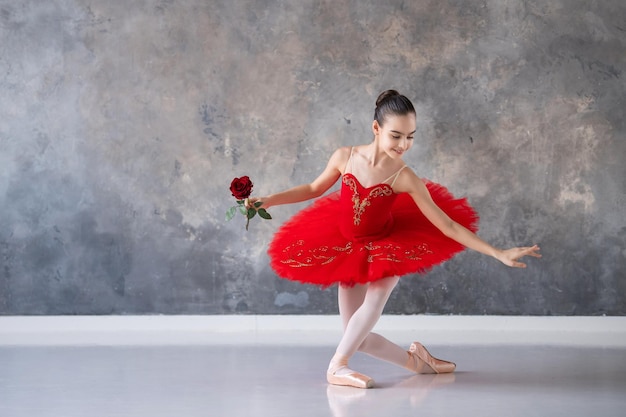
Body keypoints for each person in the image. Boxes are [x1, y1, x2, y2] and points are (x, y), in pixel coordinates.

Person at [247, 90, 541, 389]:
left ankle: (337, 366)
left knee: (371, 307)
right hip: (348, 246)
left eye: (411, 137)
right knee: (356, 336)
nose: (404, 145)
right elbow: (312, 188)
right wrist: (269, 200)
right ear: (376, 129)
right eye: (396, 136)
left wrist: (498, 252)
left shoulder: (404, 176)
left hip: (389, 245)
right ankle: (419, 362)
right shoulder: (345, 156)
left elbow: (448, 225)